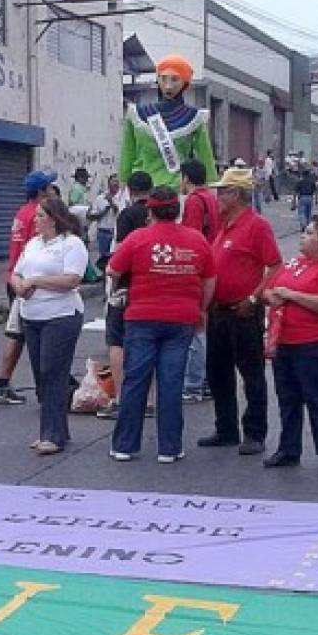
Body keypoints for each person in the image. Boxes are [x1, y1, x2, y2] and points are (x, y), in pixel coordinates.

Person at [106, 186, 215, 463]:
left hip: (142, 317)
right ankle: (169, 447)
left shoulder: (137, 238)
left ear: (150, 211)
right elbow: (209, 279)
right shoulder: (196, 240)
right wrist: (201, 309)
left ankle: (125, 446)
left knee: (135, 381)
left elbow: (112, 270)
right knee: (171, 382)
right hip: (181, 318)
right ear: (177, 211)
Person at [198, 168, 281, 454]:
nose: (217, 196)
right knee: (217, 372)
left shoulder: (256, 225)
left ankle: (255, 433)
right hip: (219, 309)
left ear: (236, 194)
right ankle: (226, 428)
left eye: (223, 191)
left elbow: (275, 265)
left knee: (251, 373)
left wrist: (256, 299)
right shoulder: (224, 224)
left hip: (243, 311)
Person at [262, 218, 318, 475]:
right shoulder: (294, 263)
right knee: (287, 398)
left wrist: (292, 296)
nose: (303, 236)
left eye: (309, 233)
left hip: (316, 344)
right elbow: (270, 290)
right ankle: (289, 449)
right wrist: (272, 296)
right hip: (285, 341)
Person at [10, 197, 88, 455]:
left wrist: (37, 281)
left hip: (61, 315)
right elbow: (17, 272)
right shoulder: (32, 244)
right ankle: (57, 429)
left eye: (41, 216)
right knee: (40, 375)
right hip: (32, 315)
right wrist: (19, 284)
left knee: (52, 372)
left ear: (54, 219)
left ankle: (51, 434)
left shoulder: (71, 244)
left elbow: (72, 280)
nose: (36, 220)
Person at [0, 168, 56, 406]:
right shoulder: (38, 215)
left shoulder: (22, 212)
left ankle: (3, 382)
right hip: (25, 282)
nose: (52, 191)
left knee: (17, 333)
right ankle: (45, 386)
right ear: (40, 192)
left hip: (15, 278)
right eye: (49, 187)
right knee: (36, 335)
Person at [98, 170, 152, 421]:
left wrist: (114, 284)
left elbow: (119, 254)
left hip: (128, 285)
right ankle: (150, 400)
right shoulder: (160, 214)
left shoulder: (127, 215)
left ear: (129, 190)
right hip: (155, 286)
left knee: (117, 341)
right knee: (149, 343)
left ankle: (120, 398)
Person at [119, 54, 217, 191]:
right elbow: (127, 153)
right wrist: (122, 183)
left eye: (175, 79)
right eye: (163, 78)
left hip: (177, 191)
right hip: (141, 190)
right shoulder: (136, 114)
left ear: (185, 83)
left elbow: (206, 156)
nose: (168, 85)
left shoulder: (194, 117)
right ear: (157, 79)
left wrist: (211, 187)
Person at [178, 159, 219, 402]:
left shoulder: (194, 201)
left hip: (200, 264)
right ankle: (204, 380)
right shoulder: (212, 198)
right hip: (213, 259)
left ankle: (194, 382)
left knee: (197, 326)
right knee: (205, 326)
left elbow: (191, 236)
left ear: (187, 178)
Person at [91, 175, 120, 260]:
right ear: (108, 183)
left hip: (116, 233)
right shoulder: (100, 198)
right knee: (103, 259)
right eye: (113, 181)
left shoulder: (122, 198)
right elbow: (92, 215)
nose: (115, 184)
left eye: (117, 182)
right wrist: (104, 211)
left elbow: (118, 212)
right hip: (103, 232)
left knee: (115, 258)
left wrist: (111, 202)